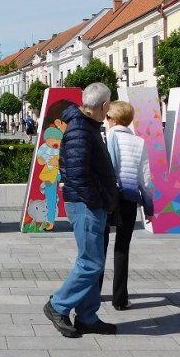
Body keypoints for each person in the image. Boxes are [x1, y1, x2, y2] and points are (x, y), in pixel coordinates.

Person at [43, 83, 119, 338]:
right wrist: (95, 200)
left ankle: (87, 316)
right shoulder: (80, 129)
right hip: (86, 204)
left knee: (91, 261)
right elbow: (76, 173)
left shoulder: (86, 126)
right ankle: (58, 305)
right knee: (91, 263)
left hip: (89, 203)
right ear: (105, 105)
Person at [103, 100, 154, 311]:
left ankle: (93, 295)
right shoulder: (139, 142)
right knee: (122, 248)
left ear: (112, 119)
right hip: (129, 199)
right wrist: (149, 206)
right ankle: (120, 299)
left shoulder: (104, 138)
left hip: (106, 199)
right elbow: (146, 179)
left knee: (99, 246)